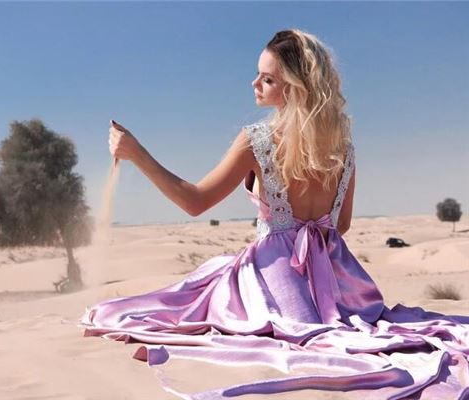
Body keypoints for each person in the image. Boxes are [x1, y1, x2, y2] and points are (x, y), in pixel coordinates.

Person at [78, 29, 469, 399]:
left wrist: (136, 153)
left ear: (294, 88)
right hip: (342, 288)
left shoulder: (257, 140)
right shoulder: (343, 147)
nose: (254, 84)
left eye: (266, 79)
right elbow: (341, 225)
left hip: (273, 287)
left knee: (181, 299)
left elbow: (194, 201)